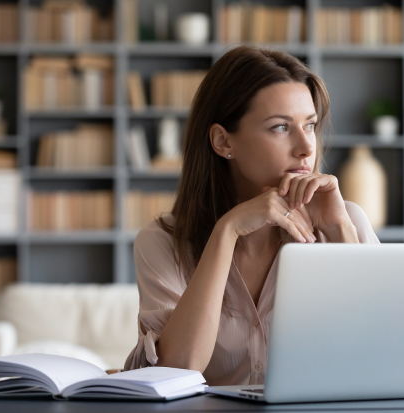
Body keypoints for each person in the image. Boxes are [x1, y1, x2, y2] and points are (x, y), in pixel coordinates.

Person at [124, 45, 380, 385]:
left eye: (311, 125)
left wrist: (338, 230)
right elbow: (178, 369)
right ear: (222, 141)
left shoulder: (345, 220)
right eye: (280, 127)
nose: (306, 147)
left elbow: (383, 351)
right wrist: (226, 231)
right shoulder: (162, 242)